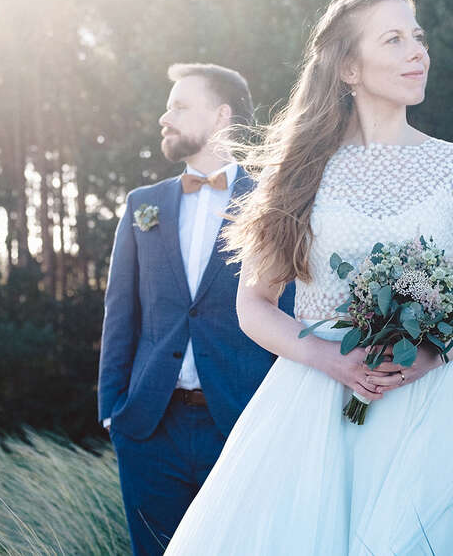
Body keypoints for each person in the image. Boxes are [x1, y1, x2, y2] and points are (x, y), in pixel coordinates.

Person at [165, 0, 453, 555]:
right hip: (310, 405)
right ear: (348, 67)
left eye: (417, 37)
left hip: (421, 408)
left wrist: (422, 356)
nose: (418, 51)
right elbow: (254, 304)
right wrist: (331, 359)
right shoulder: (298, 171)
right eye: (394, 39)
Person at [96, 62, 296, 556]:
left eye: (180, 106)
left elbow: (290, 311)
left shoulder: (275, 203)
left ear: (222, 115)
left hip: (241, 422)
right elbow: (120, 313)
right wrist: (112, 411)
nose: (165, 117)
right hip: (149, 428)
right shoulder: (143, 205)